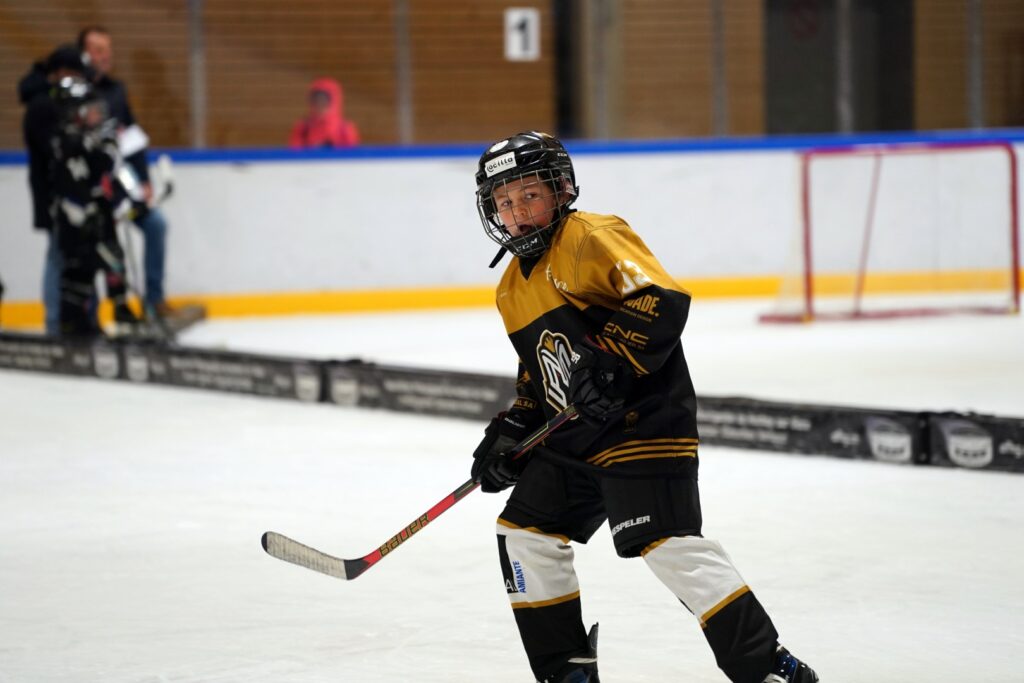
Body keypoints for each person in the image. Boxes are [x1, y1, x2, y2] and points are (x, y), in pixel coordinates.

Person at [469, 131, 818, 683]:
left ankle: (770, 669)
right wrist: (513, 429)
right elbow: (539, 376)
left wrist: (611, 361)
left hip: (642, 422)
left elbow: (661, 298)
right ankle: (567, 673)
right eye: (505, 201)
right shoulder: (511, 286)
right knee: (524, 534)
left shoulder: (590, 235)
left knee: (668, 545)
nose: (517, 212)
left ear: (561, 191)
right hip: (577, 437)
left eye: (529, 195)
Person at [78, 25, 193, 325]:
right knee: (99, 247)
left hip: (121, 187)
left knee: (155, 224)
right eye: (98, 50)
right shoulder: (75, 94)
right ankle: (91, 315)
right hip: (90, 191)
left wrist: (143, 181)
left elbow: (132, 138)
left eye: (108, 49)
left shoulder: (116, 90)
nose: (106, 56)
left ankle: (154, 299)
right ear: (84, 54)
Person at [48, 76, 139, 337]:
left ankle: (121, 310)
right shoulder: (65, 145)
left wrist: (127, 201)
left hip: (100, 213)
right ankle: (72, 321)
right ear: (74, 113)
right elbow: (67, 185)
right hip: (77, 221)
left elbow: (109, 171)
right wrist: (82, 213)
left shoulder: (92, 140)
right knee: (79, 271)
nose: (98, 114)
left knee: (114, 258)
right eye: (91, 110)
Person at [289, 77, 360, 149]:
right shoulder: (303, 129)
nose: (319, 105)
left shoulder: (344, 129)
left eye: (324, 101)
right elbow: (294, 153)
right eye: (316, 101)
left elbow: (352, 154)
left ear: (334, 102)